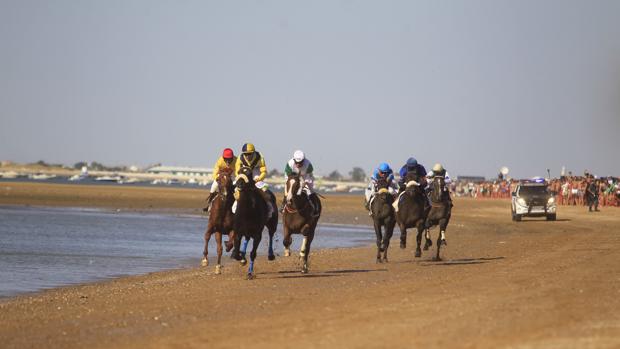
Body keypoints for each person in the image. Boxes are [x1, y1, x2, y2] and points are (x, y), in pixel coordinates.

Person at [234, 143, 273, 218]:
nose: (247, 156)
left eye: (250, 154)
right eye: (246, 154)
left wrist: (259, 179)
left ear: (254, 153)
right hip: (244, 173)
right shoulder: (240, 158)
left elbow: (264, 171)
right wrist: (241, 178)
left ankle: (269, 207)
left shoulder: (260, 158)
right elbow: (237, 171)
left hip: (256, 172)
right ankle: (235, 207)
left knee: (263, 189)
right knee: (237, 189)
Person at [283, 150, 319, 216]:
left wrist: (302, 186)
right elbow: (287, 178)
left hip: (305, 177)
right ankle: (283, 205)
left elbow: (308, 179)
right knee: (287, 189)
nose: (298, 164)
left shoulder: (308, 165)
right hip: (293, 177)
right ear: (294, 160)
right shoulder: (289, 164)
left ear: (303, 160)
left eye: (300, 162)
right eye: (296, 162)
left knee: (310, 190)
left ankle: (315, 207)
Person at [205, 148, 237, 212]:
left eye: (230, 159)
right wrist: (217, 178)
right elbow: (215, 172)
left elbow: (238, 172)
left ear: (232, 157)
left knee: (237, 189)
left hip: (233, 175)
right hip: (222, 176)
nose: (228, 161)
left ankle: (237, 205)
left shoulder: (237, 160)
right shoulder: (220, 161)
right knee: (214, 186)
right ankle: (209, 204)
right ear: (223, 158)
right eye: (226, 159)